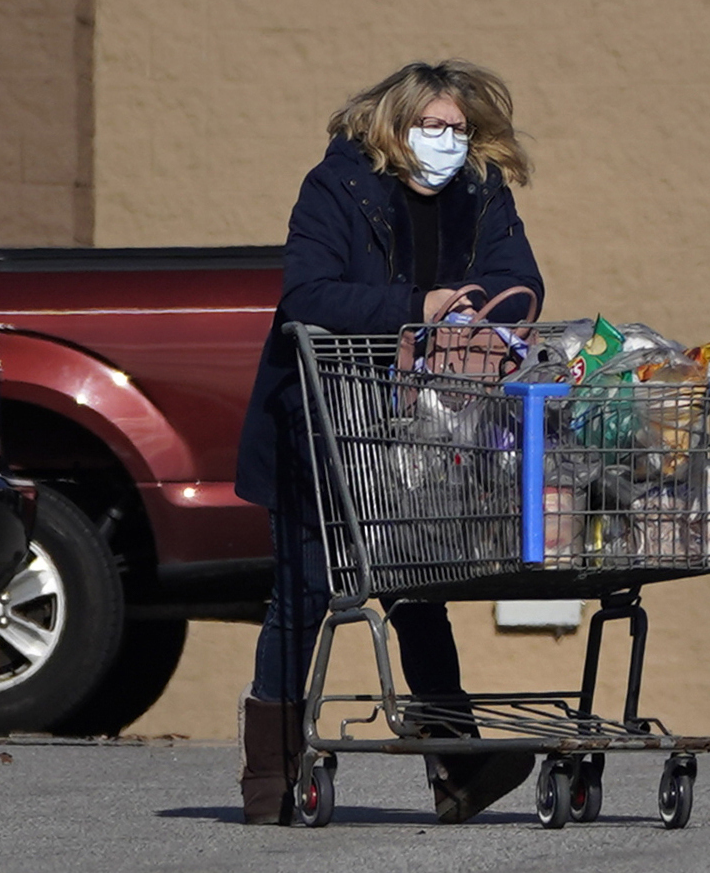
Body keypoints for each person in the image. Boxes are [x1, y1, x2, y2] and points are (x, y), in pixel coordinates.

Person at [233, 59, 544, 827]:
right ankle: (268, 779)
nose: (445, 141)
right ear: (392, 126)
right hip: (327, 420)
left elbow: (517, 277)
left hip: (420, 427)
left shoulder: (479, 192)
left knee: (419, 587)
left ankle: (459, 768)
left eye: (458, 129)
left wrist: (481, 314)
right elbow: (306, 295)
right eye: (430, 126)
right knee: (303, 597)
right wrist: (418, 305)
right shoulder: (338, 187)